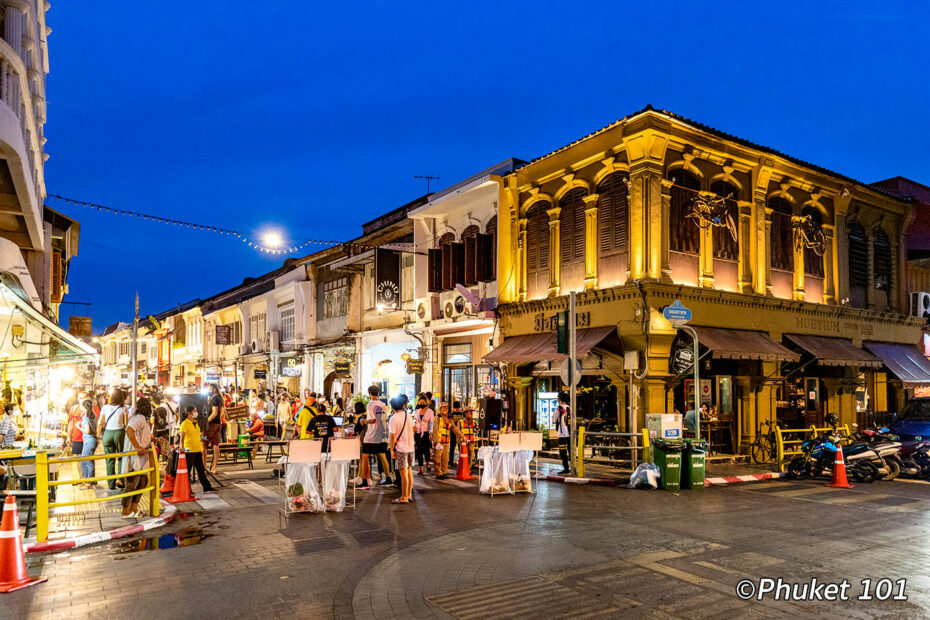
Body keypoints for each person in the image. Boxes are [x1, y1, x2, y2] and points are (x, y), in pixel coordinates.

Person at [122, 397, 154, 517]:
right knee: (132, 483)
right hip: (134, 456)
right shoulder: (139, 418)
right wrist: (137, 447)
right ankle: (126, 509)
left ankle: (134, 507)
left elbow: (142, 434)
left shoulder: (142, 419)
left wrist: (153, 439)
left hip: (141, 456)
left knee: (142, 481)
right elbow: (129, 430)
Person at [358, 385, 391, 489]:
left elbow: (372, 420)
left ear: (370, 394)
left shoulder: (370, 404)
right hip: (382, 435)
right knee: (383, 457)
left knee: (365, 457)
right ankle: (388, 478)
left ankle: (364, 481)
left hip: (371, 436)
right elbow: (385, 419)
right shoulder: (383, 404)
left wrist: (364, 421)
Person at [99, 389, 129, 491]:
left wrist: (99, 433)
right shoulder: (123, 408)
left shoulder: (105, 407)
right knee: (121, 457)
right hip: (119, 433)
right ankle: (120, 480)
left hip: (107, 433)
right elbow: (126, 424)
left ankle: (110, 483)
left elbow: (101, 422)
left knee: (109, 458)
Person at [179, 406, 213, 493]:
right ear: (189, 413)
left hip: (197, 449)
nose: (196, 412)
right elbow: (182, 437)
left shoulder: (195, 422)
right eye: (195, 411)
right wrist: (181, 446)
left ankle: (207, 487)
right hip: (189, 450)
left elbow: (197, 434)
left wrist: (203, 437)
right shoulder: (184, 424)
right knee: (188, 472)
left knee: (201, 470)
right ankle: (186, 490)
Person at [388, 395, 415, 504]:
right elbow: (413, 428)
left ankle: (403, 497)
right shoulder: (407, 414)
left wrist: (391, 449)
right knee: (409, 471)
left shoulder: (393, 418)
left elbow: (392, 436)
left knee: (403, 473)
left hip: (401, 448)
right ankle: (409, 495)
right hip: (410, 447)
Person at [431, 403, 463, 479]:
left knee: (445, 458)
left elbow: (454, 428)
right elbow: (435, 430)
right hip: (439, 442)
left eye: (446, 408)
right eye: (443, 408)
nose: (445, 409)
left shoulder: (449, 419)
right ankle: (438, 473)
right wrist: (436, 441)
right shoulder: (437, 418)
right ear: (440, 409)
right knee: (438, 458)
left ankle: (444, 472)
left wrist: (461, 435)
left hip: (446, 442)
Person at [78, 399, 99, 489]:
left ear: (84, 407)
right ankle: (87, 480)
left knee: (87, 462)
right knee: (84, 461)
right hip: (92, 440)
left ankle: (88, 483)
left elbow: (87, 430)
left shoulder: (86, 417)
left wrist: (78, 427)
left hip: (89, 440)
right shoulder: (93, 416)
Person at [205, 384, 225, 474]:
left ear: (214, 389)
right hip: (218, 425)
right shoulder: (220, 398)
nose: (208, 390)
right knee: (216, 445)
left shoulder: (214, 399)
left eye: (210, 388)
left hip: (211, 426)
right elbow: (222, 413)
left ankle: (204, 467)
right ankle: (214, 468)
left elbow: (214, 413)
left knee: (203, 443)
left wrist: (206, 422)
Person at [413, 394, 434, 476]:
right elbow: (415, 421)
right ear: (418, 403)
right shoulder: (416, 412)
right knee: (419, 451)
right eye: (420, 402)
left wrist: (431, 432)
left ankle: (428, 463)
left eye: (423, 402)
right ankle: (421, 469)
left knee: (426, 450)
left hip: (426, 433)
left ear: (426, 402)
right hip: (418, 433)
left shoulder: (430, 412)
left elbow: (431, 423)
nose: (422, 403)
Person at [555, 391, 572, 474]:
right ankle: (573, 467)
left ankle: (566, 468)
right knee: (570, 450)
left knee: (563, 451)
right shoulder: (569, 408)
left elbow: (555, 419)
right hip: (569, 433)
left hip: (562, 434)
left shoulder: (559, 408)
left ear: (560, 399)